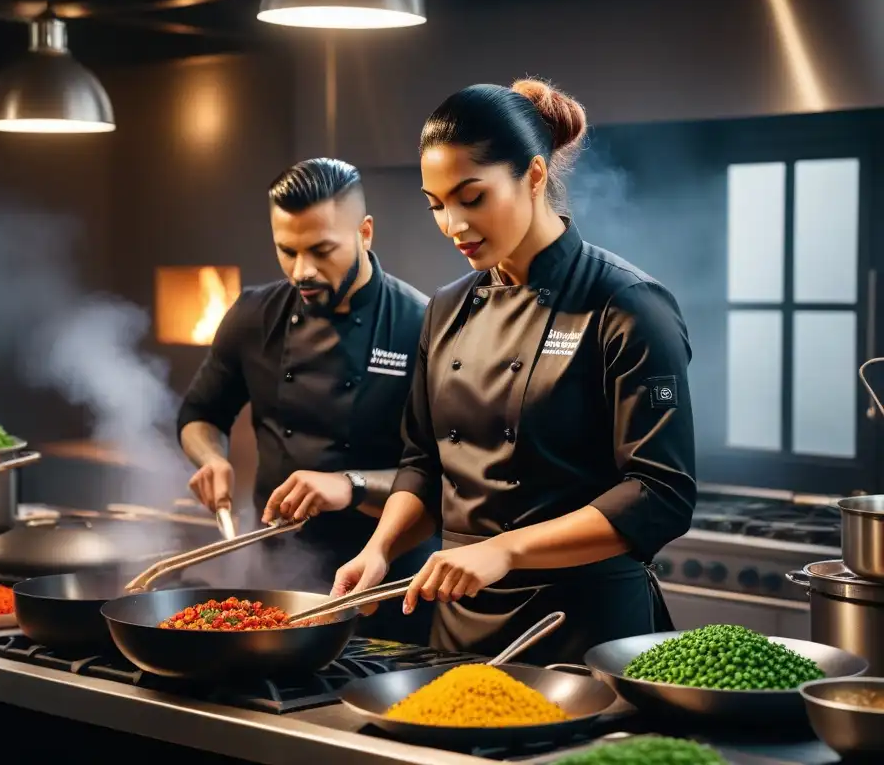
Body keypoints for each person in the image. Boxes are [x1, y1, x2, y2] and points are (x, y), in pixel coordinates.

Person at [330, 80, 696, 664]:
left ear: (532, 175)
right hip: (459, 628)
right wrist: (380, 549)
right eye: (436, 204)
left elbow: (660, 494)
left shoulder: (627, 304)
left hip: (586, 629)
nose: (452, 224)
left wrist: (506, 550)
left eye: (472, 197)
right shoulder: (447, 308)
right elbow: (425, 462)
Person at [177, 157, 440, 645]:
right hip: (277, 576)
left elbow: (444, 477)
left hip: (387, 584)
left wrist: (351, 484)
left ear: (365, 233)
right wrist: (210, 456)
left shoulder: (422, 323)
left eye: (322, 250)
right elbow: (199, 414)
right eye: (287, 250)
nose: (303, 271)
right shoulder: (254, 315)